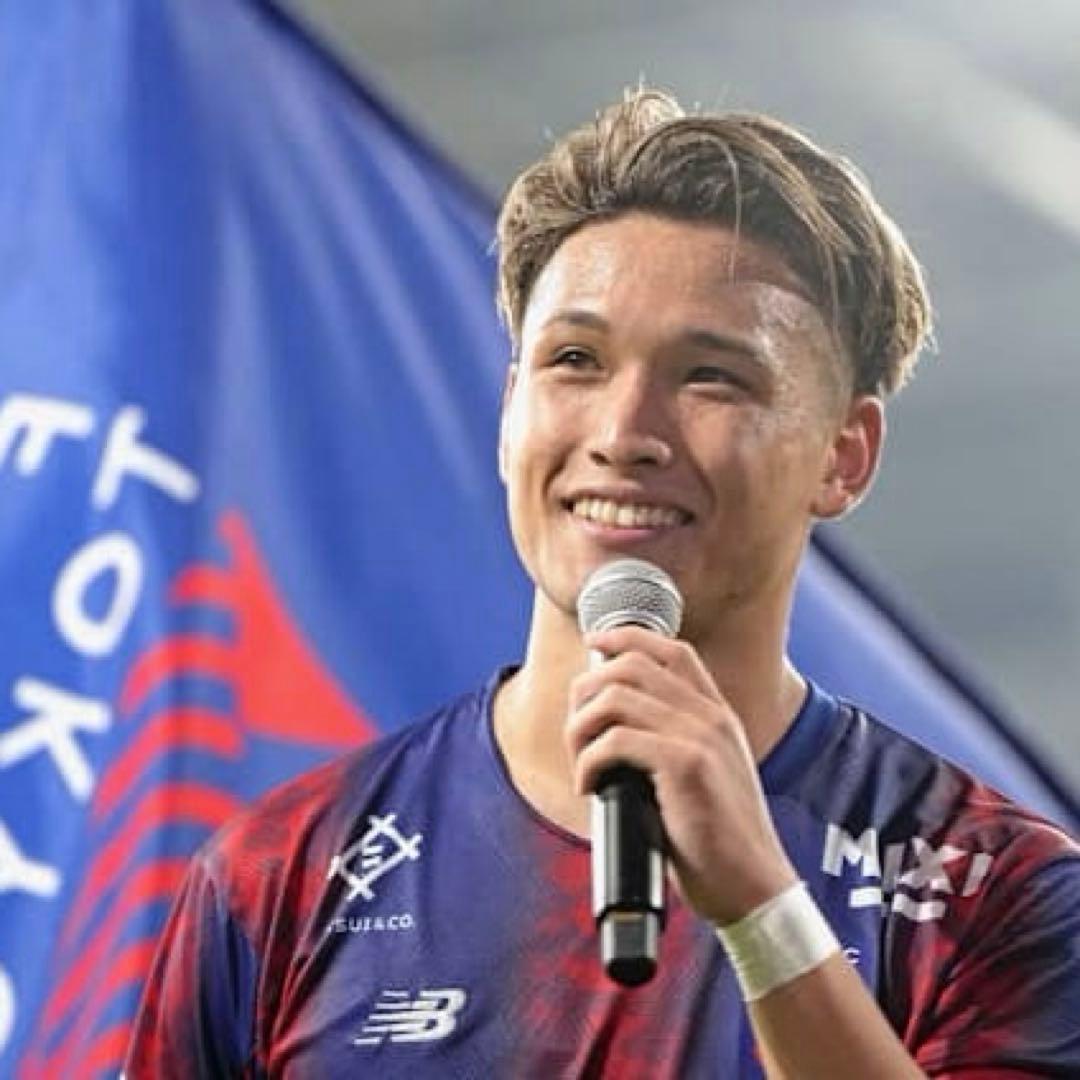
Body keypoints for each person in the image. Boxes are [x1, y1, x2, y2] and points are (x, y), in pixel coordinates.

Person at [125, 88, 1080, 1077]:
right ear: (510, 413)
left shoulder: (996, 889)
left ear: (845, 455)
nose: (624, 434)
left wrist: (762, 911)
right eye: (576, 360)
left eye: (711, 376)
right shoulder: (275, 878)